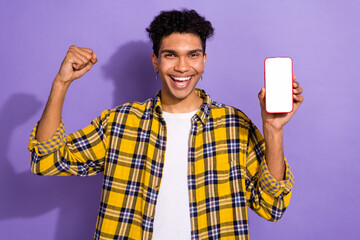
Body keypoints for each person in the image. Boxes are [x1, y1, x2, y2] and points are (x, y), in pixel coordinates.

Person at [28, 9, 304, 240]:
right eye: (171, 55)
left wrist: (273, 131)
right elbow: (47, 161)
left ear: (204, 61)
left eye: (193, 55)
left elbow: (272, 205)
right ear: (156, 61)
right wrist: (61, 83)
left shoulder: (234, 125)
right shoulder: (121, 122)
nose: (183, 67)